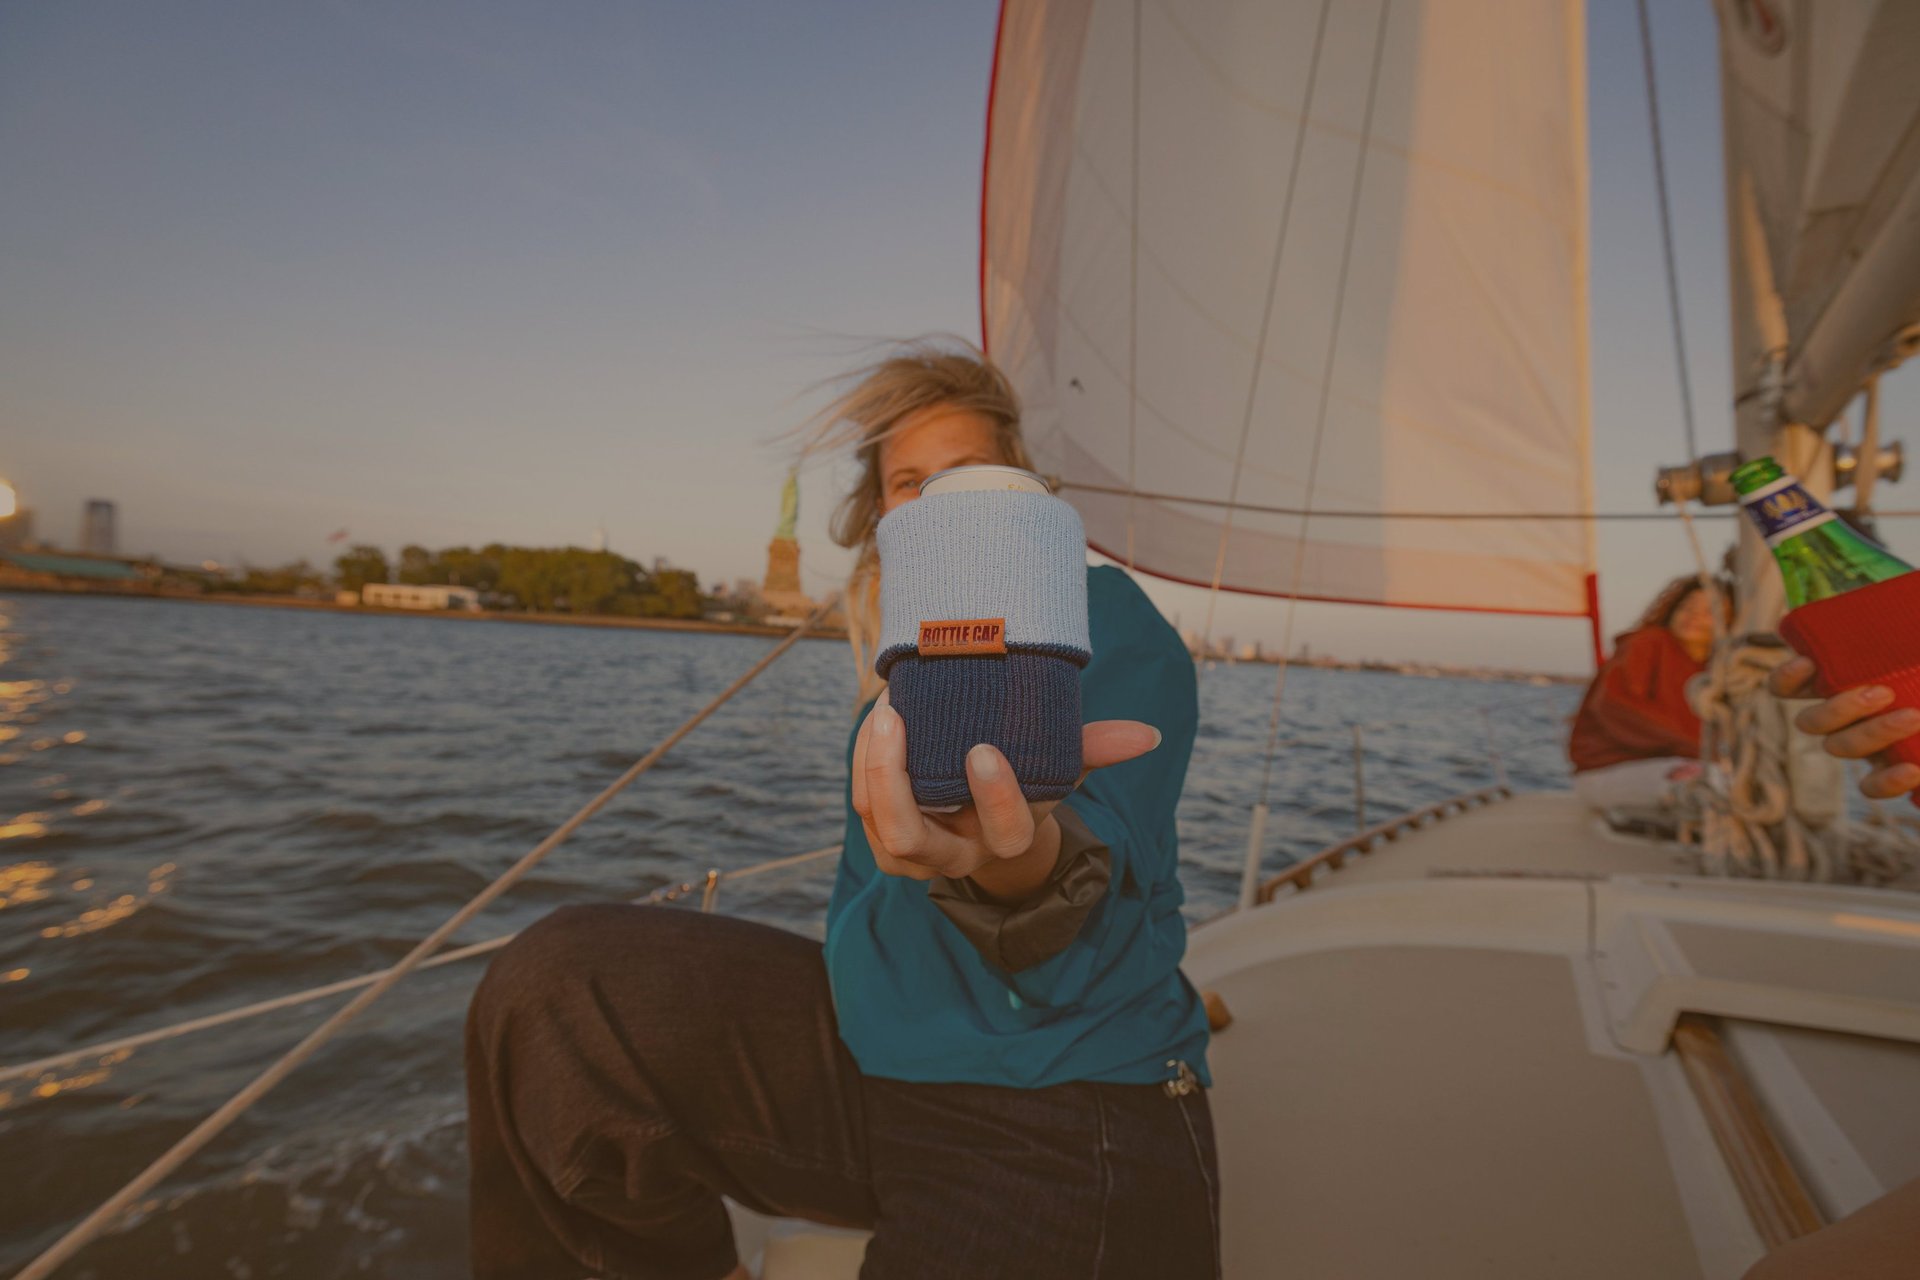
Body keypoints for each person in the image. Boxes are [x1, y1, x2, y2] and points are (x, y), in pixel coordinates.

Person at [463, 339, 1218, 1280]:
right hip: (881, 1069)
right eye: (911, 482)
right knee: (559, 990)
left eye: (970, 474)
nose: (944, 499)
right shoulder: (901, 681)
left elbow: (1091, 849)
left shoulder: (1099, 616)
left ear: (1028, 491)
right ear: (883, 521)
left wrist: (1009, 865)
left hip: (1059, 1087)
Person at [1567, 575, 1726, 813]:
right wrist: (1700, 749)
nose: (1693, 616)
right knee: (1718, 783)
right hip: (1610, 771)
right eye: (1687, 607)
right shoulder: (1647, 643)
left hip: (1684, 764)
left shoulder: (1723, 671)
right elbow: (1616, 706)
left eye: (1709, 611)